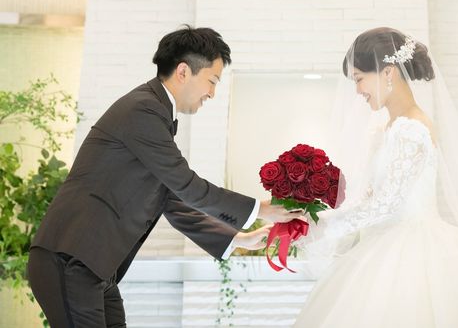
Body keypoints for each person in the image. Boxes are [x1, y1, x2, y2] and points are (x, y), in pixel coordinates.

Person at [28, 26, 297, 328]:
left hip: (95, 268)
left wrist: (238, 239)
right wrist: (261, 209)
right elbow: (188, 186)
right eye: (212, 81)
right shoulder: (143, 110)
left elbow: (171, 200)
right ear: (183, 71)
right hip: (70, 259)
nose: (212, 93)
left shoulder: (154, 113)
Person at [293, 27, 458, 327]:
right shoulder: (385, 130)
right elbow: (370, 198)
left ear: (388, 72)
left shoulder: (411, 129)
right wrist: (317, 217)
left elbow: (385, 205)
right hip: (383, 244)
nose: (357, 91)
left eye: (359, 79)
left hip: (415, 251)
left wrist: (322, 227)